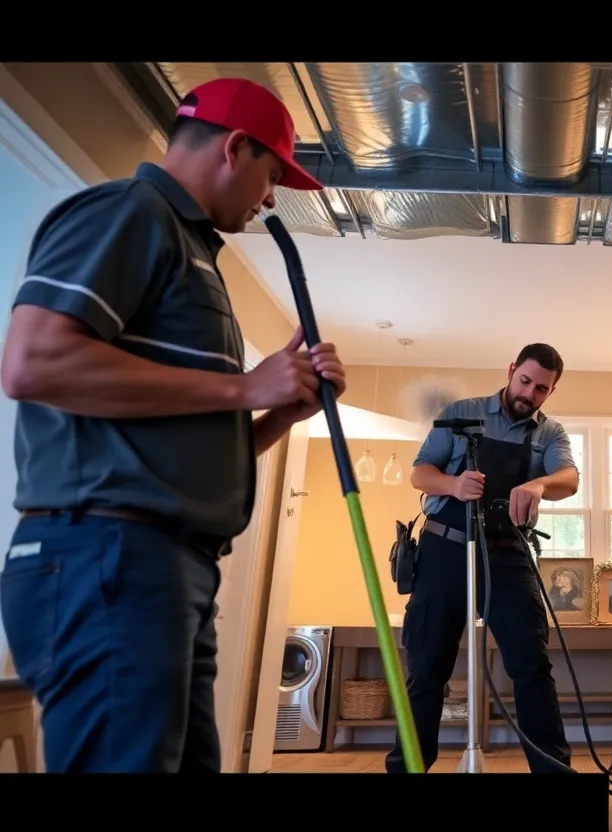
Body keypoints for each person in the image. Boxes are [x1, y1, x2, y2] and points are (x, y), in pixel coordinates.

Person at [0, 77, 348, 773]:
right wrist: (247, 385)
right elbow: (32, 362)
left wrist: (278, 410)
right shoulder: (131, 213)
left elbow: (193, 445)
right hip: (111, 557)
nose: (271, 197)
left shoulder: (194, 256)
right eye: (273, 174)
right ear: (236, 147)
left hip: (159, 567)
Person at [385, 343, 579, 774]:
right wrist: (453, 485)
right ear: (511, 370)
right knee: (426, 668)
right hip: (443, 551)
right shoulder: (462, 411)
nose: (529, 393)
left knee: (531, 666)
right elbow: (421, 472)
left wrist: (540, 485)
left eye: (541, 389)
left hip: (507, 558)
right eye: (525, 380)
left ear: (551, 391)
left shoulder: (549, 433)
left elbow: (569, 478)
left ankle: (554, 772)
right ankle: (408, 769)